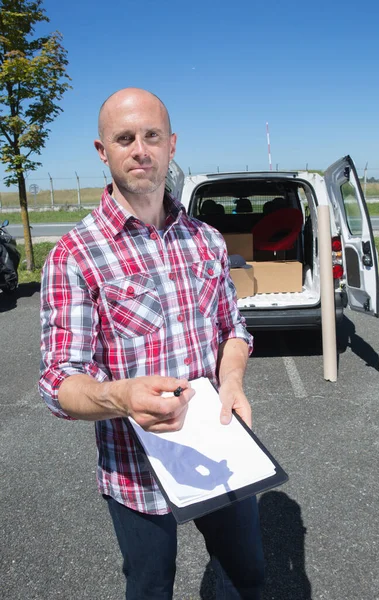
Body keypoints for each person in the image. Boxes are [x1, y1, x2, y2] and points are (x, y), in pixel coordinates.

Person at [39, 87, 265, 599]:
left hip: (220, 447)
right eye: (124, 138)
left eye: (152, 136)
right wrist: (121, 397)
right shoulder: (75, 256)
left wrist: (231, 381)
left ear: (171, 145)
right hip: (134, 473)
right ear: (103, 151)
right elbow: (58, 380)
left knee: (250, 574)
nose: (140, 149)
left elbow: (234, 330)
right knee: (149, 586)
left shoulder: (206, 240)